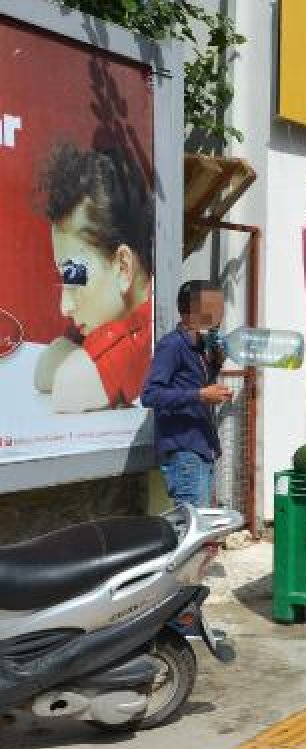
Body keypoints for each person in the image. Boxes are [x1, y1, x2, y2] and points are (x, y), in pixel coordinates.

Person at [33, 144, 154, 413]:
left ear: (123, 267)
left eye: (74, 278)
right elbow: (45, 371)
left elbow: (69, 385)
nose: (64, 307)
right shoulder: (116, 317)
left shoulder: (142, 334)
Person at [141, 281, 233, 507]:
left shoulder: (202, 347)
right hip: (184, 451)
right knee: (190, 528)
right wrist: (201, 395)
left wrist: (216, 364)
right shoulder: (171, 346)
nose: (218, 313)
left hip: (203, 447)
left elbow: (196, 386)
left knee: (199, 528)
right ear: (190, 312)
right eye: (211, 306)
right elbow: (150, 395)